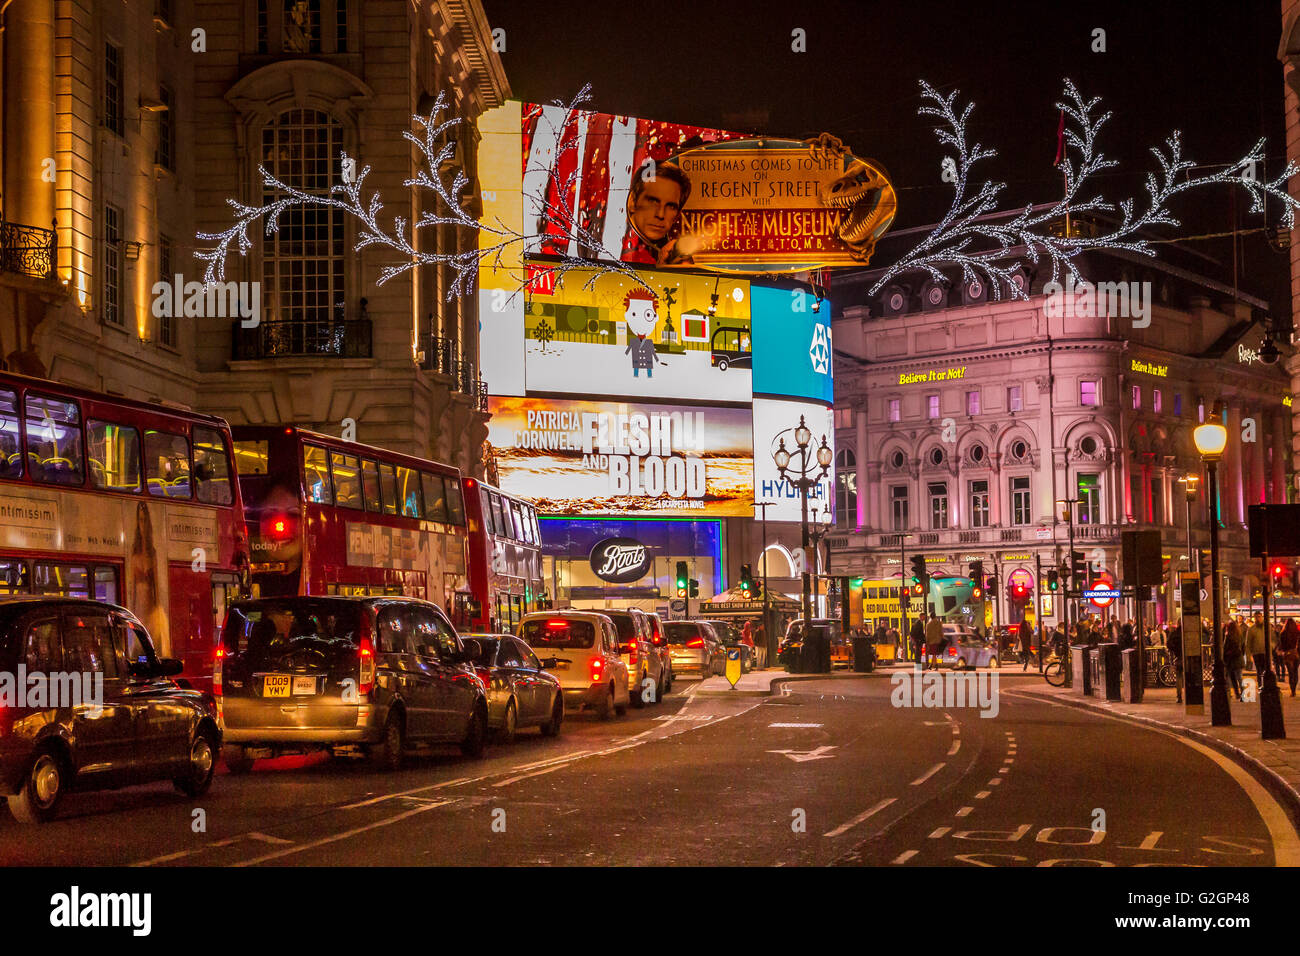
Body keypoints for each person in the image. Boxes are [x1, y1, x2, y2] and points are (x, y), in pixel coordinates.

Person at [621, 161, 697, 266]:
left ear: (677, 215)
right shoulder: (610, 251)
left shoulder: (676, 258)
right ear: (633, 202)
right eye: (653, 201)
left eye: (671, 206)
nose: (660, 214)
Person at [1222, 620, 1245, 701]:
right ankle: (1242, 694)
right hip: (1238, 658)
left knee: (1231, 677)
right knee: (1239, 677)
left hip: (1230, 659)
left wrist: (1224, 656)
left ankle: (1236, 693)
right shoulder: (1239, 635)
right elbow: (1243, 647)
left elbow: (1225, 647)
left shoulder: (1228, 635)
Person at [1279, 619, 1300, 696]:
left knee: (1291, 673)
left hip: (1288, 655)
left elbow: (1282, 646)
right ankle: (1294, 687)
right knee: (1295, 671)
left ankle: (1292, 690)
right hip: (1296, 654)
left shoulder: (1283, 634)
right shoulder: (1297, 633)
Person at [1246, 612, 1268, 677]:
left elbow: (1273, 639)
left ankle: (1265, 683)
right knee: (1259, 670)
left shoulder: (1267, 627)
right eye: (1256, 617)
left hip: (1266, 652)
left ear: (1262, 617)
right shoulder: (1251, 629)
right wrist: (1249, 655)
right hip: (1256, 653)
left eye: (1259, 617)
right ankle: (1260, 684)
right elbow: (1248, 643)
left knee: (1266, 670)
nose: (1257, 619)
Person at [1167, 622, 1184, 703]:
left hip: (1178, 657)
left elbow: (1168, 644)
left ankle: (1179, 695)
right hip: (1188, 657)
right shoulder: (1186, 632)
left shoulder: (1174, 634)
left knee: (1179, 677)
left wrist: (1174, 650)